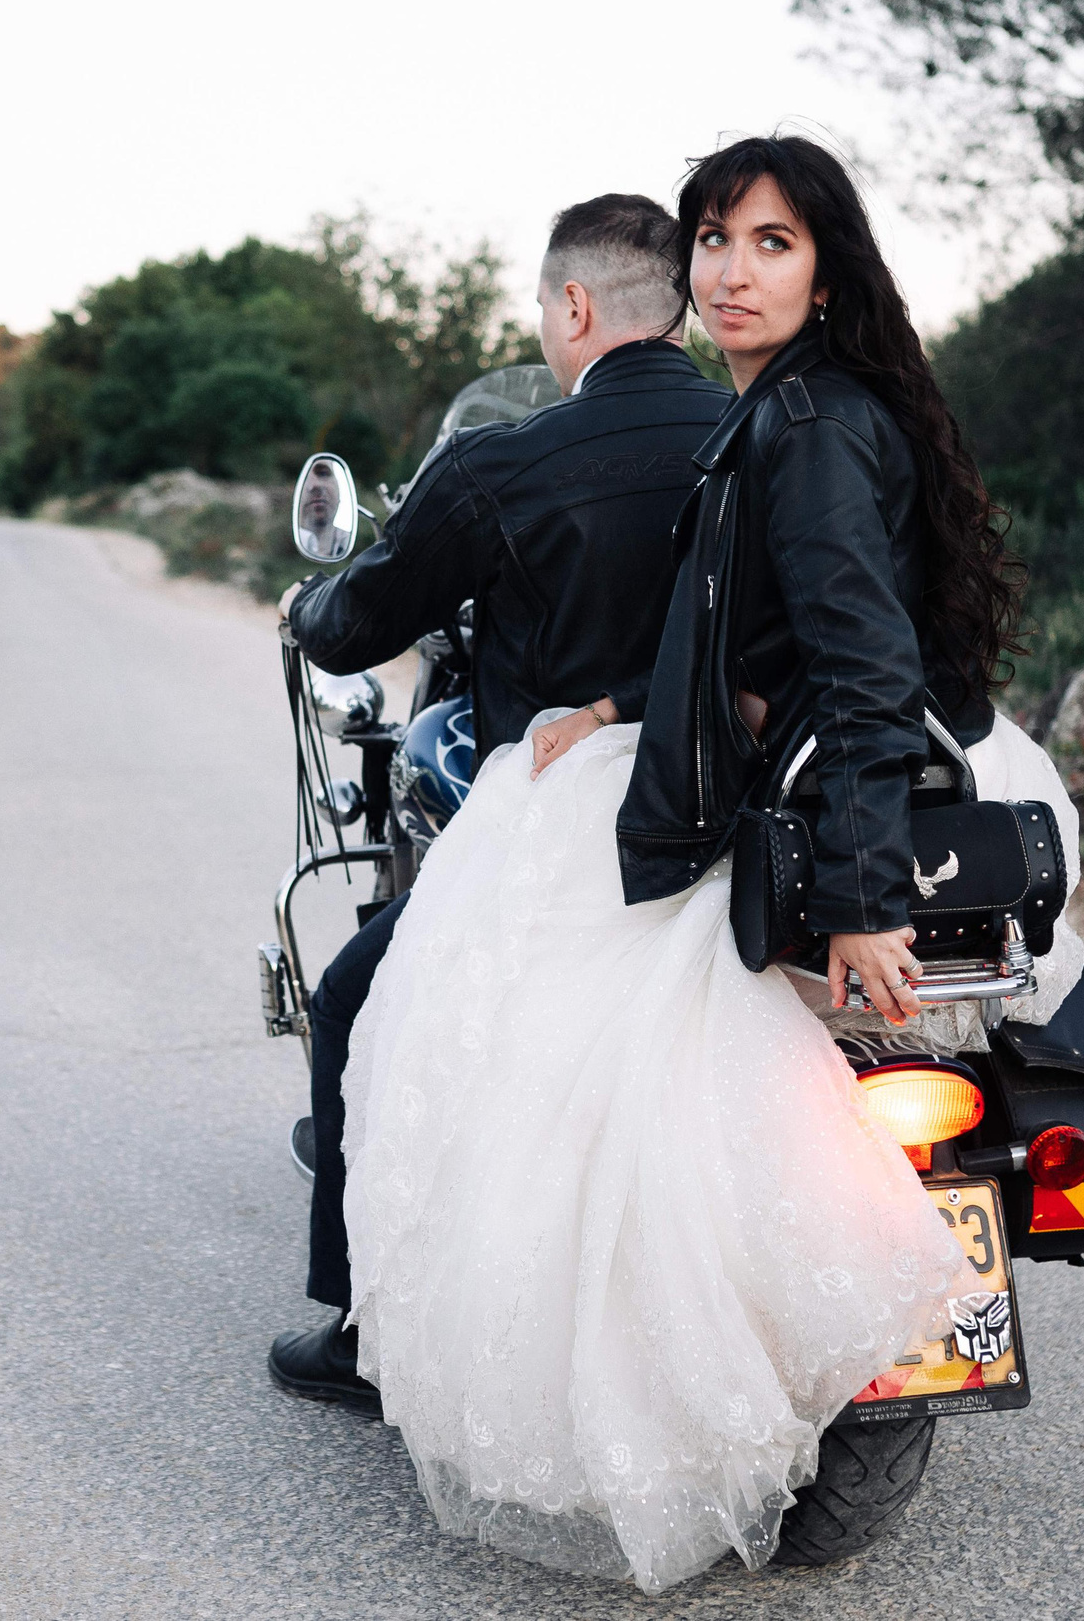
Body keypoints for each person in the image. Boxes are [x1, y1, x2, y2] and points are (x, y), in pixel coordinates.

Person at [339, 135, 1037, 1592]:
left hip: (794, 827)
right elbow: (758, 639)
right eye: (714, 240)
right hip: (735, 781)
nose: (731, 270)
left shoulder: (810, 425)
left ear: (827, 270)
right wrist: (618, 705)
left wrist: (860, 902)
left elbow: (863, 670)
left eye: (771, 243)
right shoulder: (778, 408)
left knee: (527, 1050)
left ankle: (636, 1389)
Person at [267, 194, 734, 1411]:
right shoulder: (762, 437)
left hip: (567, 838)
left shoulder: (503, 463)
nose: (542, 325)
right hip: (742, 831)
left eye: (541, 305)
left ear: (574, 305)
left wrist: (307, 609)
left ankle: (362, 1330)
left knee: (354, 997)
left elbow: (361, 619)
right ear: (680, 306)